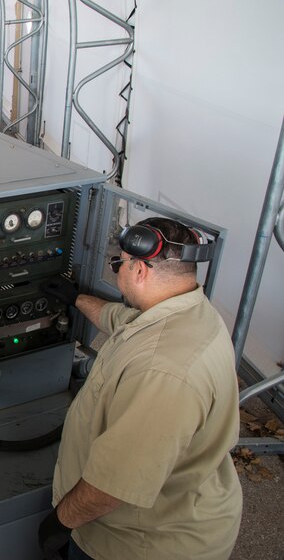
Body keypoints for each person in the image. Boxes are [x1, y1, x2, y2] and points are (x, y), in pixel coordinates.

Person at [37, 217, 242, 560]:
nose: (115, 270)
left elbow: (112, 485)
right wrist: (76, 298)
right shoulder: (190, 311)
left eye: (117, 263)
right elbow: (123, 321)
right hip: (183, 508)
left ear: (140, 270)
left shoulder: (162, 370)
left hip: (141, 545)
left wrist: (59, 523)